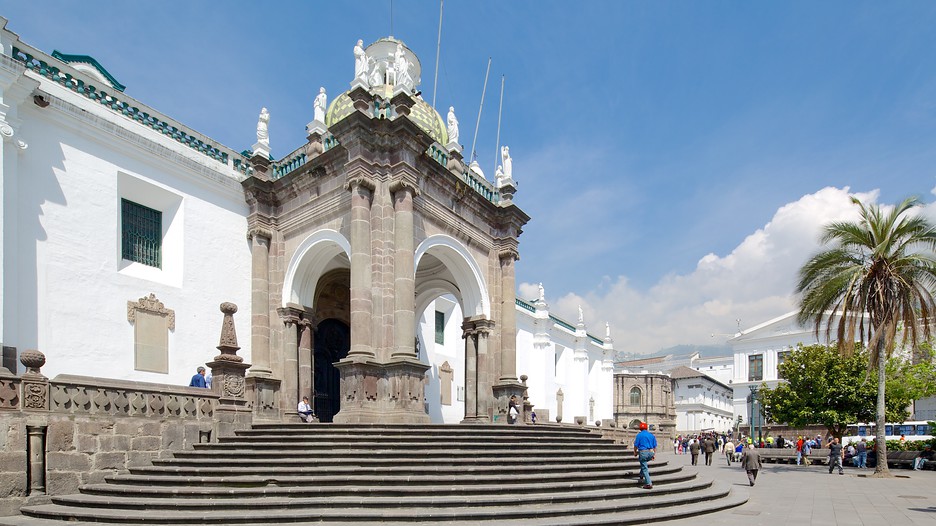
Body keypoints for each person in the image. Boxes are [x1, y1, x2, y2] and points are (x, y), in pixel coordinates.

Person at [633, 422, 657, 489]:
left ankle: (649, 484)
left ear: (640, 429)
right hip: (651, 452)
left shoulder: (639, 435)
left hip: (643, 452)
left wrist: (635, 452)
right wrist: (654, 454)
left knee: (644, 467)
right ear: (646, 428)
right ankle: (641, 474)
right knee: (643, 463)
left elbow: (636, 445)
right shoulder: (651, 435)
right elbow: (655, 446)